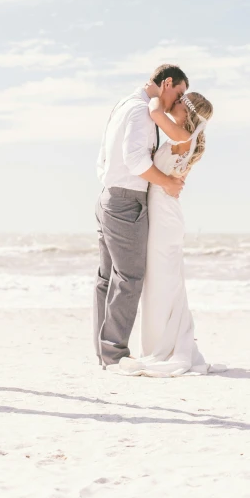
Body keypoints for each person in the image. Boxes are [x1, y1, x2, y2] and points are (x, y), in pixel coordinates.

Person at [115, 90, 227, 377]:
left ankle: (161, 347)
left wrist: (153, 96)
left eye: (178, 102)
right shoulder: (182, 139)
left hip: (165, 218)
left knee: (162, 280)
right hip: (165, 215)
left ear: (185, 111)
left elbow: (153, 112)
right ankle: (160, 342)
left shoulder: (182, 137)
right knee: (163, 280)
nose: (171, 104)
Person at [94, 64, 189, 368]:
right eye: (179, 92)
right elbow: (135, 161)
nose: (179, 101)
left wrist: (110, 187)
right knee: (129, 278)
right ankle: (114, 354)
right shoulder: (139, 112)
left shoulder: (124, 105)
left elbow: (104, 157)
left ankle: (105, 352)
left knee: (107, 279)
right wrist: (168, 182)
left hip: (108, 196)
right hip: (125, 201)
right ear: (167, 83)